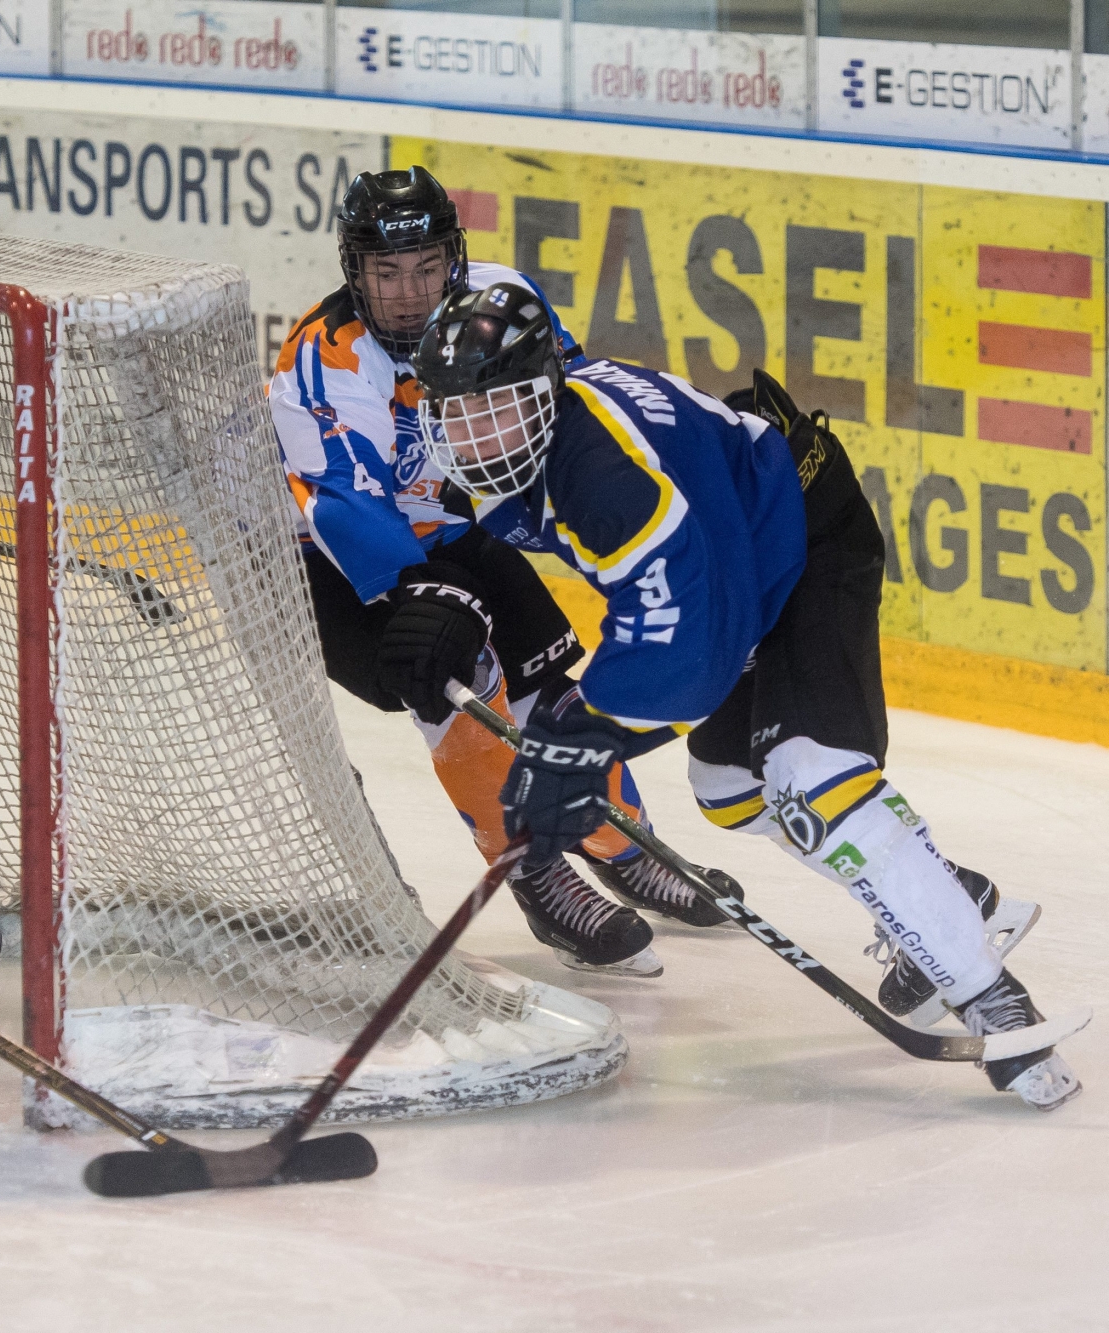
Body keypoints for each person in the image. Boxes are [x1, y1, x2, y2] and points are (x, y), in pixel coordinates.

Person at [410, 281, 1074, 1110]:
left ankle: (992, 995)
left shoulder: (602, 469)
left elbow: (689, 637)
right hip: (737, 551)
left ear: (546, 387)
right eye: (456, 415)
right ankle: (950, 892)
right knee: (730, 790)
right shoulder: (513, 456)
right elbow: (680, 609)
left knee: (812, 777)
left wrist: (586, 729)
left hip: (803, 539)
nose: (476, 436)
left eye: (497, 407)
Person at [268, 166, 717, 978]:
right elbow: (339, 502)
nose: (408, 294)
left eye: (427, 269)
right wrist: (424, 593)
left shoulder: (504, 305)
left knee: (550, 686)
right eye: (385, 272)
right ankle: (537, 876)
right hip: (327, 562)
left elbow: (570, 405)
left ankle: (623, 845)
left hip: (448, 529)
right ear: (354, 271)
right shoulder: (322, 360)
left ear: (456, 260)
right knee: (456, 676)